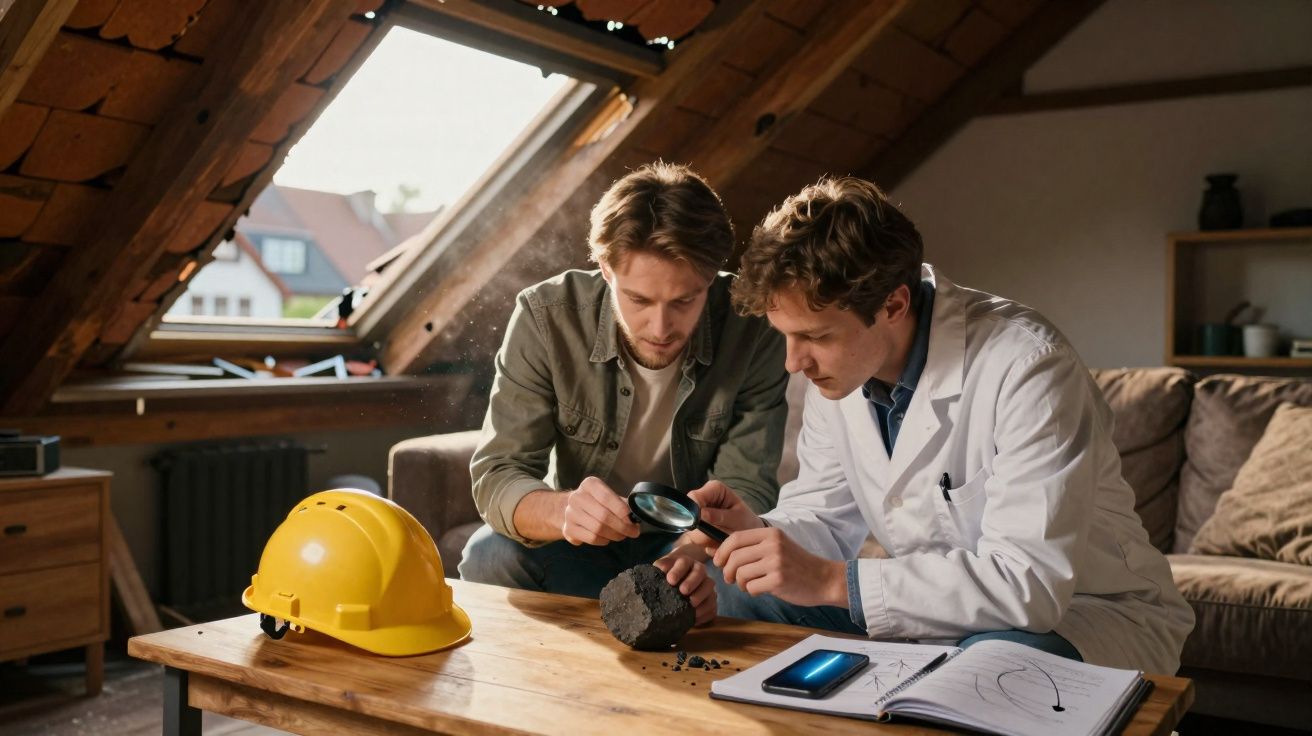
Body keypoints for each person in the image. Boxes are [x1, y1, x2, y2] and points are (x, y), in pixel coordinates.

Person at [686, 176, 1194, 673]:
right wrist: (757, 535)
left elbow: (1029, 585)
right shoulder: (840, 374)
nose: (793, 363)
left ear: (893, 304)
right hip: (930, 613)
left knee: (990, 674)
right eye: (786, 336)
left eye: (815, 337)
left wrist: (832, 583)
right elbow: (824, 516)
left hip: (1081, 612)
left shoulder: (1029, 367)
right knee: (735, 592)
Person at [459, 162, 789, 625]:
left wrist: (687, 559)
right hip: (578, 545)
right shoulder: (545, 317)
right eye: (639, 300)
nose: (661, 328)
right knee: (488, 556)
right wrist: (564, 511)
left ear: (712, 276)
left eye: (684, 301)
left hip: (690, 545)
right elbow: (499, 473)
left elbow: (749, 485)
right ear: (606, 269)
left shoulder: (752, 327)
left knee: (760, 586)